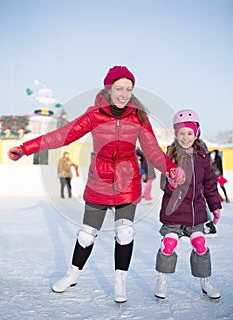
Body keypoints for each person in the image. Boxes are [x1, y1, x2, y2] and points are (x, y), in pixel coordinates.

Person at [8, 65, 185, 303]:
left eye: (129, 89)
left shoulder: (138, 117)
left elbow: (152, 151)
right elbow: (61, 135)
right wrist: (26, 148)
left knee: (125, 233)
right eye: (119, 88)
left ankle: (119, 282)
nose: (124, 94)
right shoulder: (94, 114)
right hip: (99, 181)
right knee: (86, 235)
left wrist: (171, 168)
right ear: (109, 88)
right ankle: (72, 274)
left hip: (127, 182)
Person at [154, 109, 221, 300]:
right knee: (169, 244)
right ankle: (162, 278)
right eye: (181, 133)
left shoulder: (202, 156)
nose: (185, 137)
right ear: (176, 133)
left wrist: (215, 207)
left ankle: (205, 282)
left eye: (189, 133)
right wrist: (172, 183)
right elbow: (162, 184)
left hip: (195, 211)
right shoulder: (170, 154)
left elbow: (210, 184)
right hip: (173, 211)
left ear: (196, 134)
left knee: (200, 243)